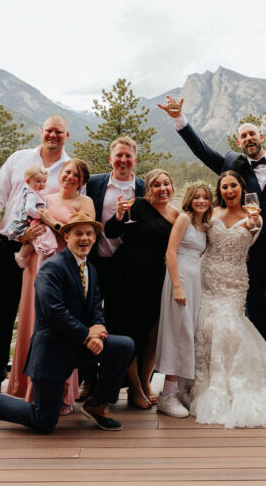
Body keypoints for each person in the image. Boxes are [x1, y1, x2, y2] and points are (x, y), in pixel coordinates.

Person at [158, 96, 266, 404]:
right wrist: (180, 119)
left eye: (253, 133)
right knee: (253, 320)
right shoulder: (230, 164)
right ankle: (260, 379)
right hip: (243, 260)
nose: (249, 139)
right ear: (238, 142)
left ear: (261, 137)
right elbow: (201, 150)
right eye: (243, 136)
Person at [0, 212, 135, 433]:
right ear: (66, 237)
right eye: (78, 233)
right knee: (44, 421)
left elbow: (95, 307)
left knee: (125, 346)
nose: (84, 238)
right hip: (52, 351)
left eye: (89, 234)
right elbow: (54, 312)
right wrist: (87, 335)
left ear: (94, 238)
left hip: (77, 345)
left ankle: (97, 404)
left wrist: (99, 333)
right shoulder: (52, 267)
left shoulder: (89, 269)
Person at [190, 171, 266, 427]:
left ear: (242, 188)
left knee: (228, 325)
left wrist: (253, 223)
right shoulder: (211, 214)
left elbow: (252, 239)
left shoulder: (254, 219)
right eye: (225, 186)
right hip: (207, 278)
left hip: (235, 282)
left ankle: (234, 383)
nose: (229, 190)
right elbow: (199, 239)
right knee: (205, 325)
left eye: (234, 186)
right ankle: (198, 383)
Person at [0, 115, 71, 392]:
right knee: (0, 317)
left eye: (59, 132)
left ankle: (36, 386)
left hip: (48, 253)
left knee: (44, 319)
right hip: (10, 245)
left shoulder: (70, 169)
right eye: (49, 130)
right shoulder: (18, 159)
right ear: (41, 132)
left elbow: (71, 209)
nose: (53, 135)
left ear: (67, 135)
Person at [6, 159, 93, 405]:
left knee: (63, 324)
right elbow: (26, 225)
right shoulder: (46, 195)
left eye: (75, 175)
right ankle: (25, 387)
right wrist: (25, 235)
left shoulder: (84, 202)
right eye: (66, 173)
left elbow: (85, 232)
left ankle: (61, 393)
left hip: (67, 267)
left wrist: (52, 222)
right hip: (37, 264)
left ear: (82, 180)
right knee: (34, 323)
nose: (69, 177)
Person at [103, 168, 179, 408]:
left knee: (153, 334)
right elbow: (110, 232)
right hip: (126, 277)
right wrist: (117, 216)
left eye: (166, 183)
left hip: (157, 281)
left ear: (172, 186)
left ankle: (146, 382)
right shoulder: (137, 206)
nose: (162, 188)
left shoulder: (177, 215)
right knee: (129, 332)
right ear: (149, 189)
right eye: (156, 185)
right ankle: (135, 388)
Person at [80, 136, 146, 401]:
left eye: (128, 156)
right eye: (119, 155)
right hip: (94, 262)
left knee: (122, 324)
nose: (123, 160)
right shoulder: (94, 183)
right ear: (111, 159)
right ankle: (88, 379)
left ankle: (120, 382)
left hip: (126, 268)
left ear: (135, 160)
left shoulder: (142, 187)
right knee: (87, 319)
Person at [155, 183, 212, 418]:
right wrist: (177, 286)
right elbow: (170, 252)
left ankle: (180, 391)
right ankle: (166, 395)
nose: (201, 201)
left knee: (190, 333)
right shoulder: (184, 219)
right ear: (189, 199)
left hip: (195, 280)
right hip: (180, 280)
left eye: (205, 197)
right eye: (197, 197)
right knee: (179, 333)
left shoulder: (204, 225)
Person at [10, 165, 57, 268]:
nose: (42, 184)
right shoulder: (31, 194)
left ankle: (24, 255)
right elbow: (29, 209)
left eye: (44, 181)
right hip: (31, 218)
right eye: (38, 181)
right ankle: (24, 255)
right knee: (37, 235)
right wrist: (41, 216)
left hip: (34, 218)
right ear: (28, 181)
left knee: (35, 237)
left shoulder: (37, 192)